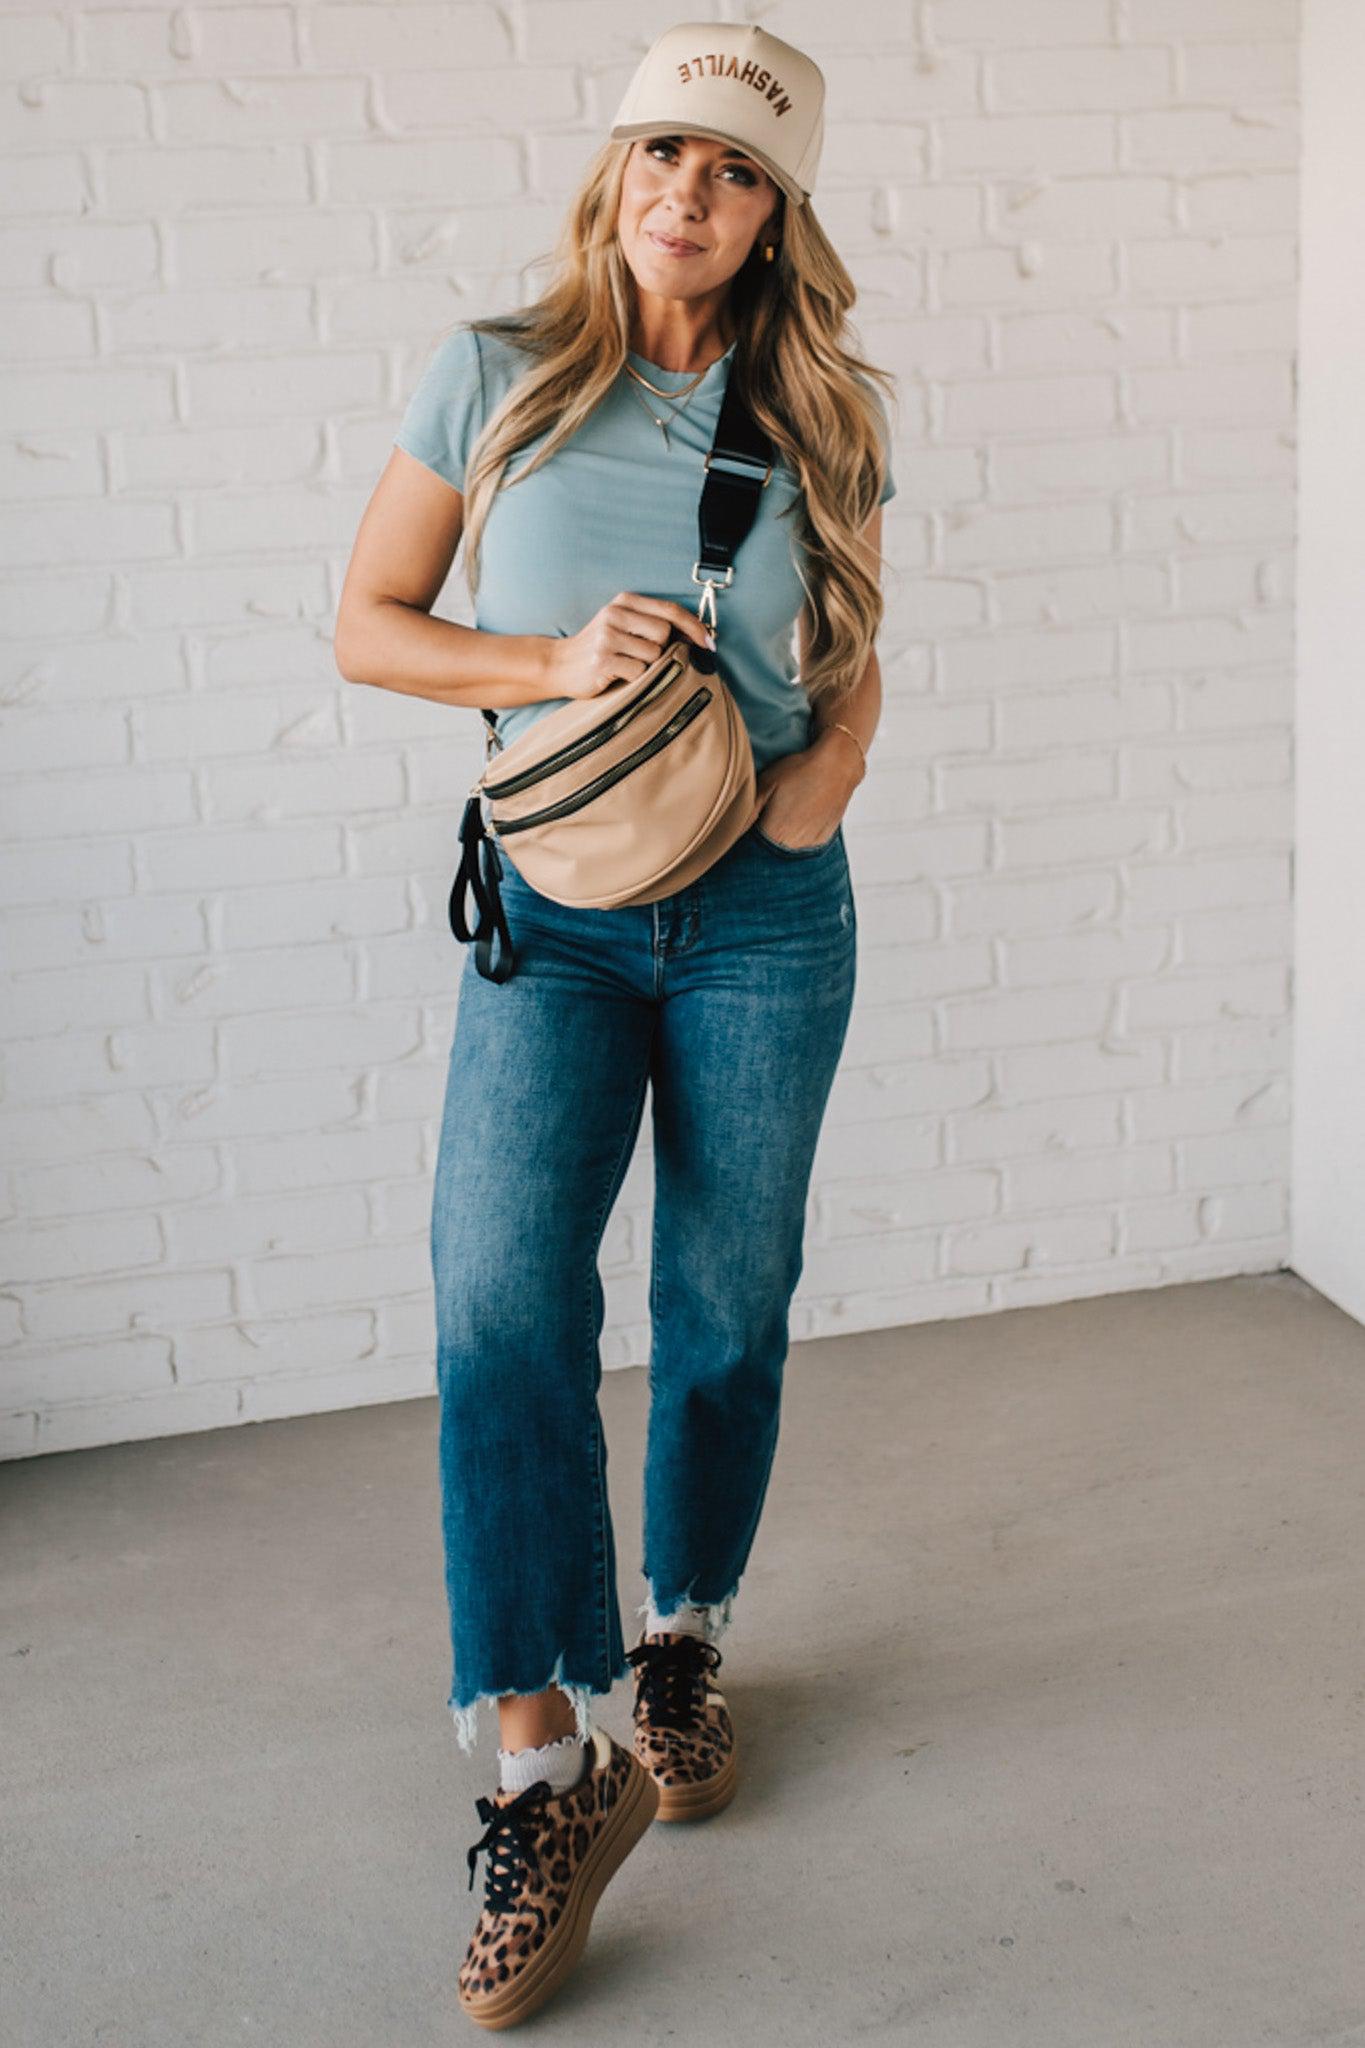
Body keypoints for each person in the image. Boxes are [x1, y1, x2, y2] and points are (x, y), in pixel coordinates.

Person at [334, 19, 896, 2029]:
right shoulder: (490, 372)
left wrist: (829, 763)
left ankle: (681, 1638)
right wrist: (544, 658)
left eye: (733, 169)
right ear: (614, 173)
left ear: (773, 211)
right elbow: (367, 621)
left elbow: (854, 639)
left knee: (725, 1301)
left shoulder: (818, 405)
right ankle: (539, 1764)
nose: (688, 191)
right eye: (662, 151)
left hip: (760, 914)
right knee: (498, 1305)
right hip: (556, 915)